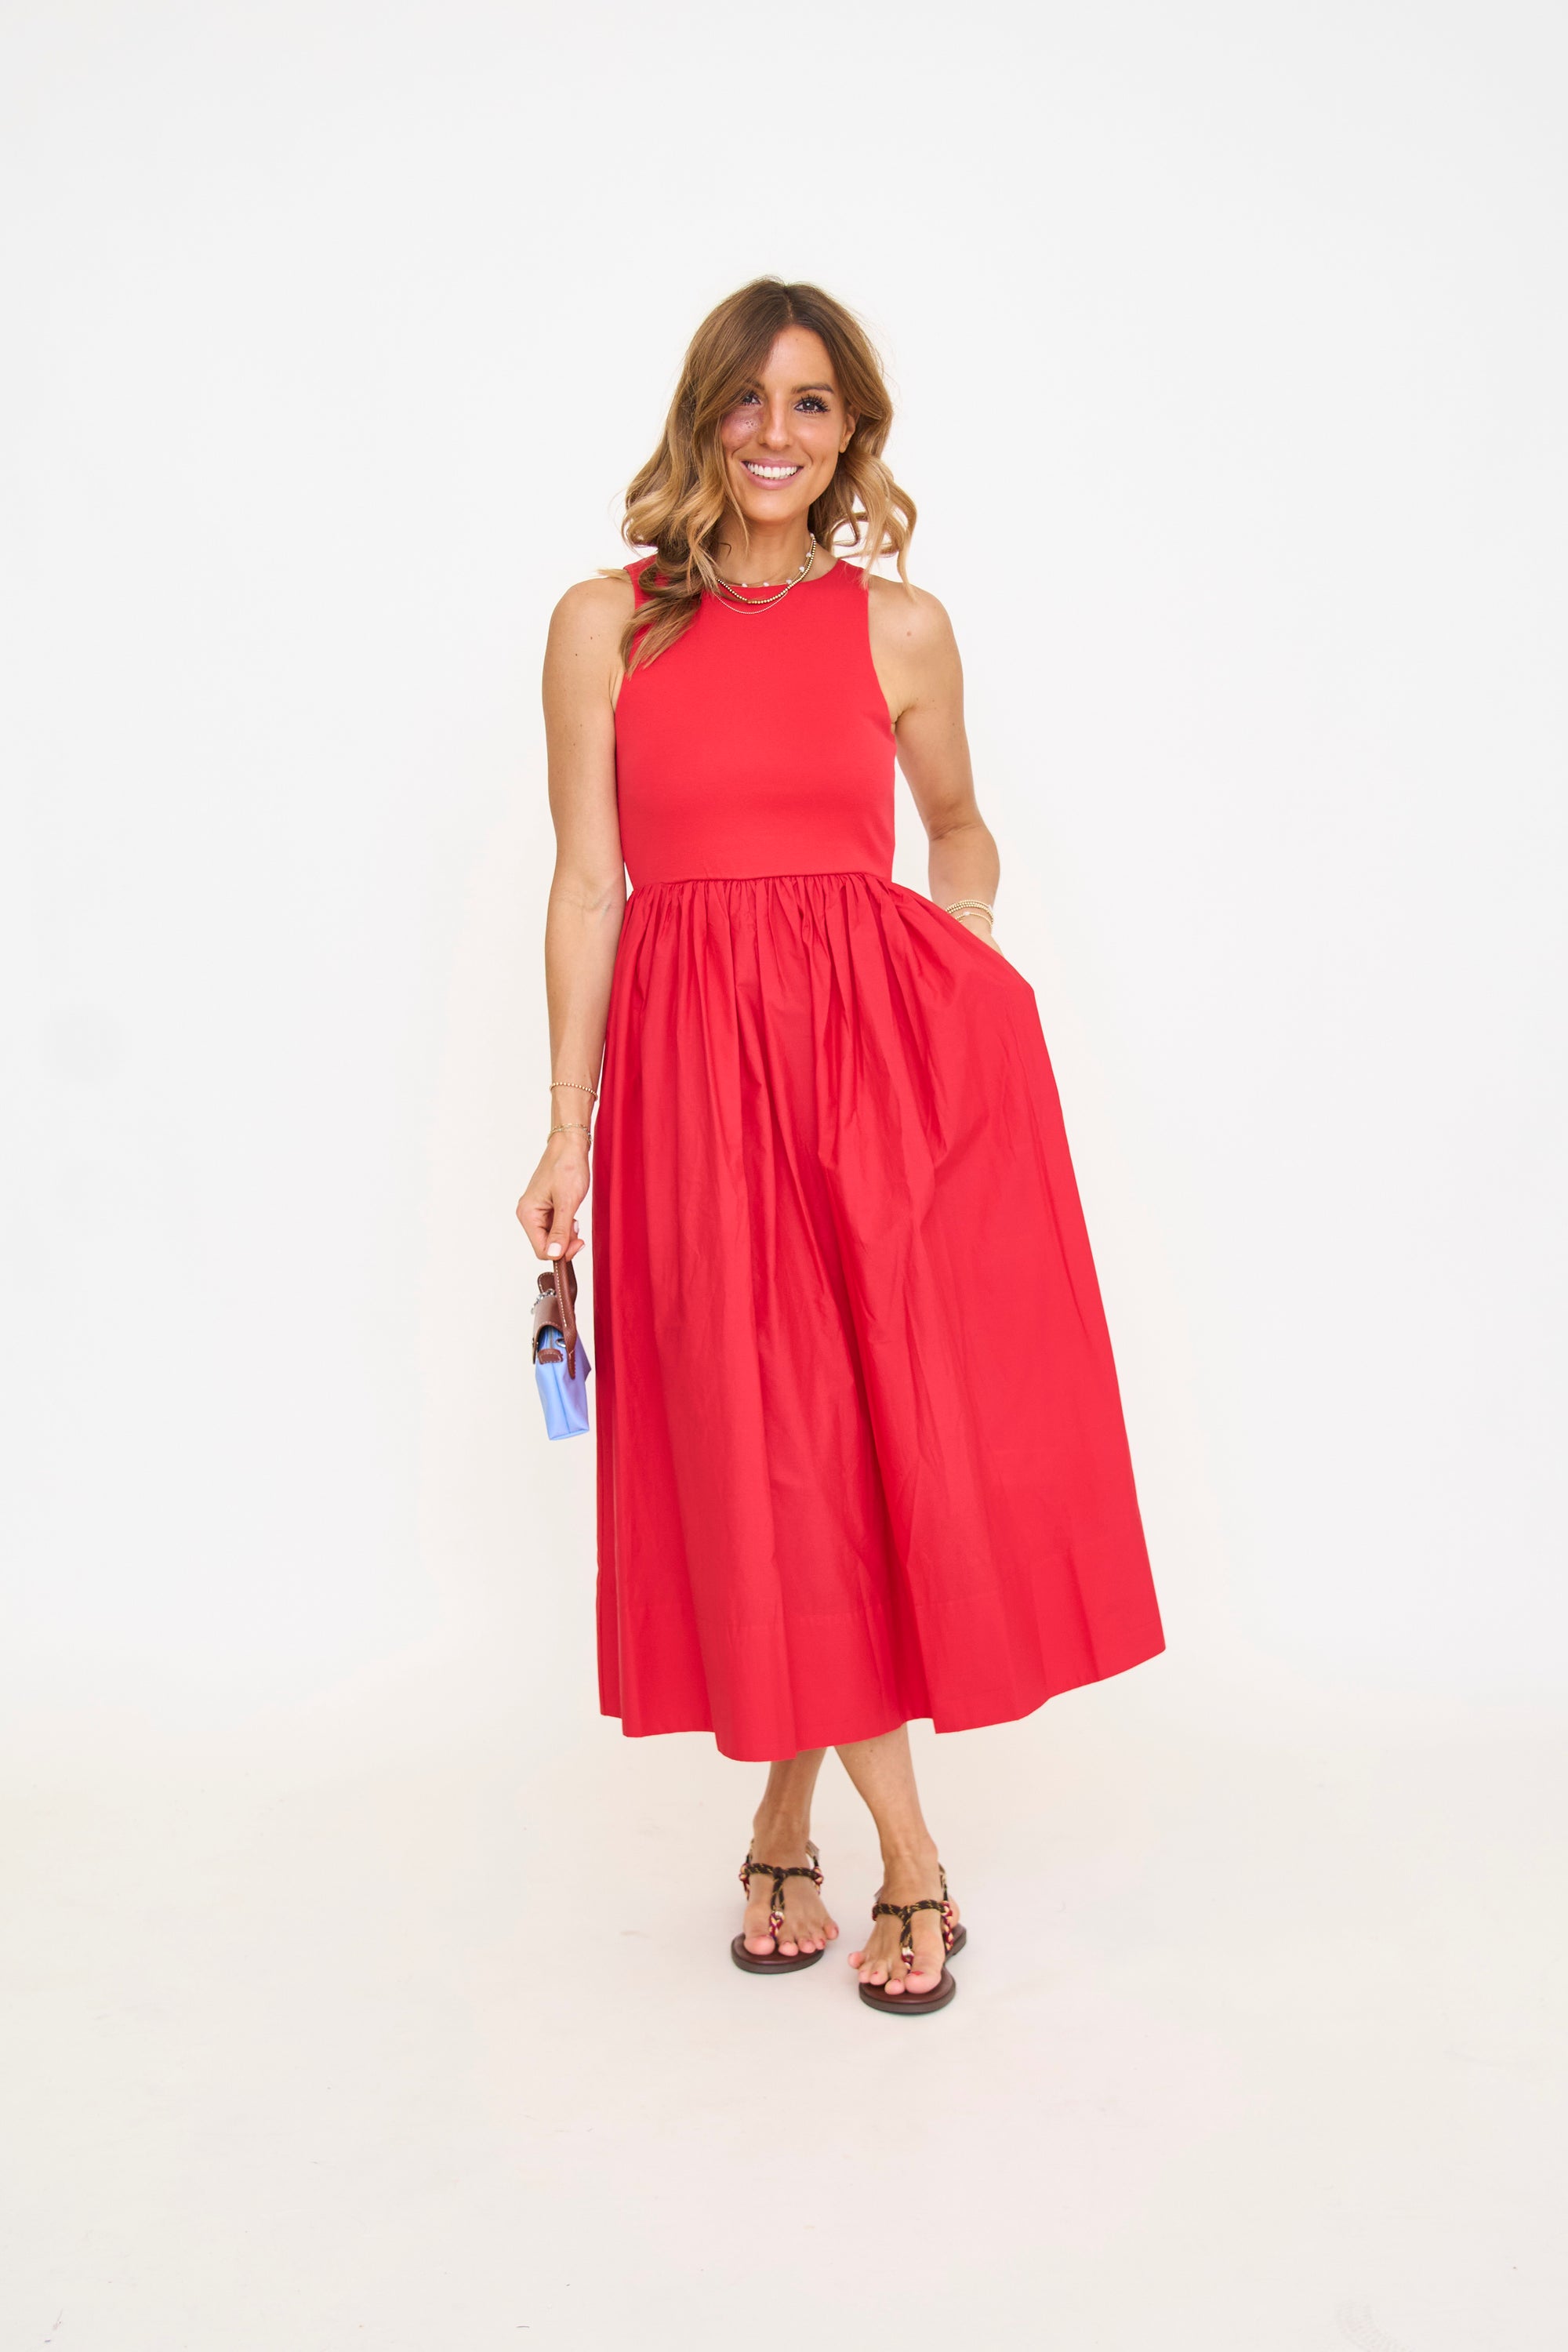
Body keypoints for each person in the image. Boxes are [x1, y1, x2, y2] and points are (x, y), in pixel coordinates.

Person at [517, 278, 1164, 2015]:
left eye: (812, 405)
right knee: (773, 1449)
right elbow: (586, 885)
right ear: (701, 417)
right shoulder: (603, 626)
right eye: (748, 400)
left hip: (866, 1081)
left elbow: (958, 829)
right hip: (689, 1086)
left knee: (844, 1448)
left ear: (851, 432)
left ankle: (884, 1851)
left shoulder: (900, 628)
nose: (776, 435)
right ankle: (829, 1833)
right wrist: (567, 1127)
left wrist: (955, 965)